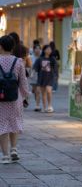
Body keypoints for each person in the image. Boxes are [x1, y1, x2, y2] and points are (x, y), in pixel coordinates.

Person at [0, 35, 29, 164]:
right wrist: (24, 96)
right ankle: (14, 149)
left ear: (0, 47)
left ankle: (5, 155)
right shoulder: (18, 61)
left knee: (2, 126)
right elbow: (23, 81)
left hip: (0, 98)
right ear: (13, 47)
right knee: (14, 122)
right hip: (15, 98)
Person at [34, 45, 57, 113]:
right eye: (47, 49)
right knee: (43, 93)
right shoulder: (40, 59)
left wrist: (56, 76)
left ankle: (49, 106)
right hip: (41, 77)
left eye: (50, 49)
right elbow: (35, 68)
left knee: (49, 90)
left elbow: (55, 68)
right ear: (44, 50)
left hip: (50, 77)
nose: (49, 51)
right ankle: (44, 107)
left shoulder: (52, 59)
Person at [30, 45, 42, 111]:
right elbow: (30, 66)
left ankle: (37, 105)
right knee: (35, 91)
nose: (37, 50)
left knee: (38, 91)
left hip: (40, 75)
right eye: (36, 49)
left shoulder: (42, 57)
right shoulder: (31, 57)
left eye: (39, 49)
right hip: (33, 75)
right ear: (34, 50)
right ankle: (37, 103)